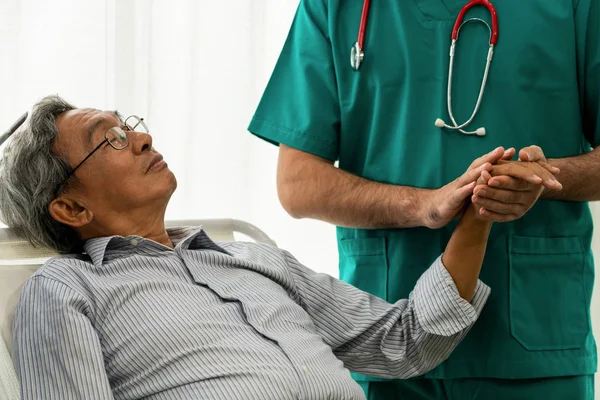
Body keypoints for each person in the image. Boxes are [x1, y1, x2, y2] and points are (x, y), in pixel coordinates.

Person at [0, 96, 512, 400]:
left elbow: (405, 342)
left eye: (126, 126)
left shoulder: (250, 258)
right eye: (106, 139)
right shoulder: (65, 290)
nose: (142, 139)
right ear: (71, 209)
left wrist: (479, 210)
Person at [248, 1, 599, 399]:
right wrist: (423, 205)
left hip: (532, 342)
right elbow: (297, 184)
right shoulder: (334, 8)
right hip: (384, 340)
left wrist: (543, 176)